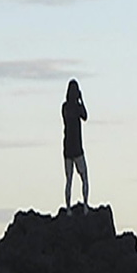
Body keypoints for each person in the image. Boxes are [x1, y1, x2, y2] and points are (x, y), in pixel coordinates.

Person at [62, 79, 89, 208]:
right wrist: (81, 100)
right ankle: (85, 205)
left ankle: (68, 208)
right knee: (84, 177)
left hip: (67, 148)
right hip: (77, 148)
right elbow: (85, 116)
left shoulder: (65, 107)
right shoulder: (76, 108)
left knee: (69, 180)